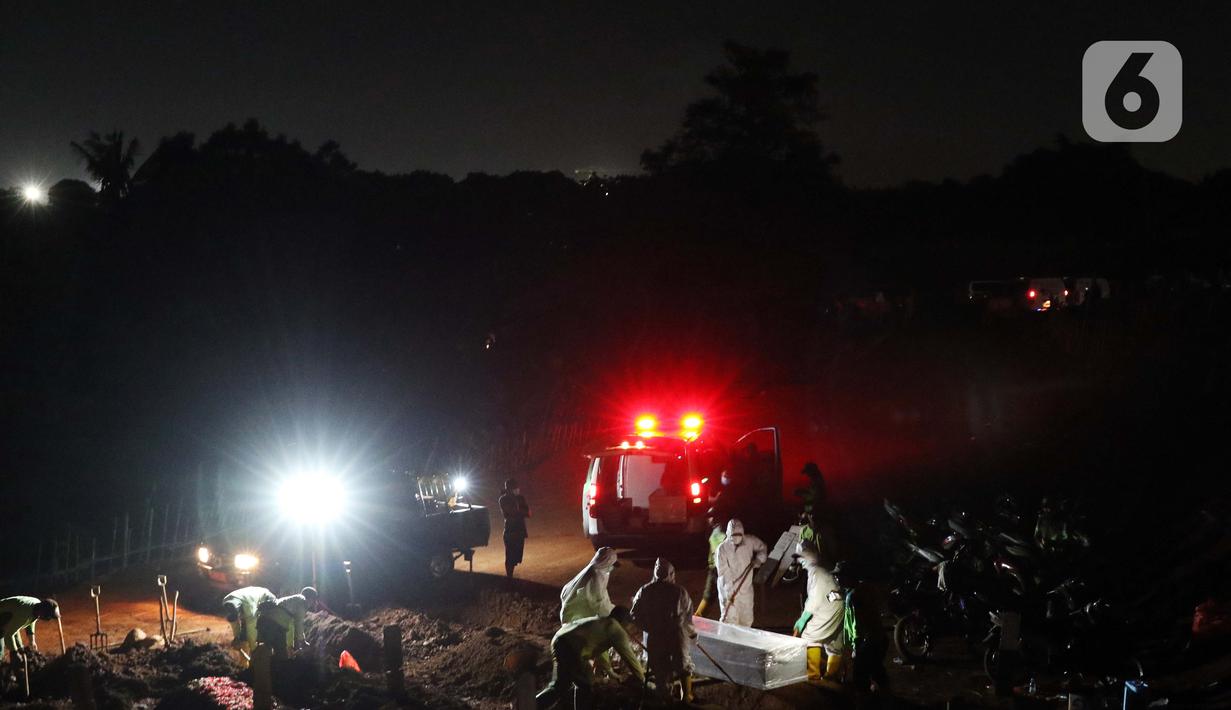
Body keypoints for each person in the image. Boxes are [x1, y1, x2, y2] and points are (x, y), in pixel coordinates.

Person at [535, 606, 645, 710]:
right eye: (629, 624)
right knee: (584, 686)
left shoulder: (602, 623)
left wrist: (610, 671)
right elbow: (630, 658)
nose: (629, 628)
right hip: (570, 647)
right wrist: (644, 680)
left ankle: (530, 705)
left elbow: (601, 652)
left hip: (560, 639)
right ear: (624, 621)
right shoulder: (616, 629)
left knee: (561, 685)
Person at [632, 558, 696, 701]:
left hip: (655, 636)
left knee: (660, 666)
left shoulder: (645, 591)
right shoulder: (679, 592)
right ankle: (686, 696)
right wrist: (692, 633)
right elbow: (687, 616)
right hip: (676, 635)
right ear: (671, 573)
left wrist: (648, 627)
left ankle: (664, 697)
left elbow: (634, 614)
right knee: (682, 663)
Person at [833, 561, 889, 692]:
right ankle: (884, 694)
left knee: (860, 678)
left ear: (849, 577)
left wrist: (856, 646)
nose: (837, 579)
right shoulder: (863, 588)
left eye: (840, 576)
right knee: (876, 670)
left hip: (867, 642)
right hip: (880, 639)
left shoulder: (853, 597)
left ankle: (867, 697)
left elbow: (857, 624)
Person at [792, 544, 845, 682]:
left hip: (827, 609)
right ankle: (831, 675)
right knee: (833, 641)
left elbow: (814, 598)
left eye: (801, 558)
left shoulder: (816, 572)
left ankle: (813, 675)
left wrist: (803, 619)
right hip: (837, 606)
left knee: (810, 637)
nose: (799, 561)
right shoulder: (821, 570)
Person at [715, 519, 767, 626]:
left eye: (738, 535)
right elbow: (723, 573)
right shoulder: (722, 549)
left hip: (745, 589)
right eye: (733, 535)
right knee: (729, 621)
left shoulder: (750, 541)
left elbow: (762, 548)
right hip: (728, 591)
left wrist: (759, 559)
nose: (736, 537)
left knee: (746, 620)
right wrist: (730, 592)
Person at [255, 586, 319, 658]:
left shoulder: (292, 600)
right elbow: (299, 624)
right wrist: (302, 641)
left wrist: (291, 645)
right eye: (313, 600)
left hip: (263, 621)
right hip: (274, 625)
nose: (313, 603)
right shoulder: (302, 602)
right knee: (281, 655)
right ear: (310, 598)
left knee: (268, 650)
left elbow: (291, 627)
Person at [560, 547, 617, 623]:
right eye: (612, 563)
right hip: (578, 613)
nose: (612, 567)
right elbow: (597, 601)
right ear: (608, 562)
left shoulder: (593, 569)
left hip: (574, 609)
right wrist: (611, 614)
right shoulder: (597, 575)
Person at [0, 597, 59, 662]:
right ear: (44, 613)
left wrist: (32, 641)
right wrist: (14, 652)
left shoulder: (37, 605)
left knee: (20, 648)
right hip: (2, 617)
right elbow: (9, 634)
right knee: (1, 649)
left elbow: (31, 620)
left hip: (10, 616)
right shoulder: (23, 613)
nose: (49, 619)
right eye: (49, 616)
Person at [221, 586, 276, 654]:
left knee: (264, 630)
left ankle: (268, 652)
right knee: (244, 635)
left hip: (266, 598)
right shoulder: (226, 602)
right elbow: (234, 622)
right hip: (249, 598)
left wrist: (253, 649)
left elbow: (251, 628)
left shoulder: (249, 608)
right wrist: (237, 638)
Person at [695, 513, 727, 617]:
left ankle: (698, 618)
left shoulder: (717, 532)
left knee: (709, 595)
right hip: (716, 567)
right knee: (710, 595)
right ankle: (699, 617)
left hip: (717, 568)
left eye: (710, 517)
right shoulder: (718, 530)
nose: (708, 520)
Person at [498, 478, 531, 579]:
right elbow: (513, 512)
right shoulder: (503, 499)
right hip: (510, 531)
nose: (518, 490)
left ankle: (510, 576)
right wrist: (520, 510)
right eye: (516, 488)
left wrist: (520, 510)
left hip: (519, 531)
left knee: (516, 555)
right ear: (511, 489)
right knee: (510, 556)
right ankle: (509, 577)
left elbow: (528, 513)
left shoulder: (519, 498)